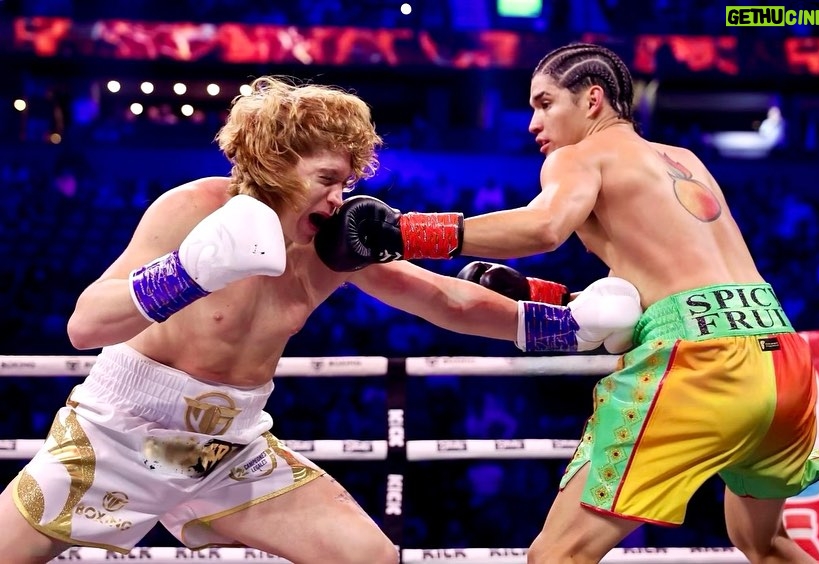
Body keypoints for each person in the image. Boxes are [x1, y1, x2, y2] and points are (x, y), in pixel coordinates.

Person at [0, 75, 640, 564]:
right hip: (118, 435)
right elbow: (85, 325)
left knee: (369, 557)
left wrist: (567, 327)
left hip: (230, 449)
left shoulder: (338, 241)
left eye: (348, 178)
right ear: (277, 162)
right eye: (328, 178)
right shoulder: (192, 208)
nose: (341, 196)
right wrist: (190, 272)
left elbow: (446, 301)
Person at [313, 43, 819, 563]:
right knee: (764, 544)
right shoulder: (685, 160)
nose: (532, 123)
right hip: (782, 355)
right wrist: (541, 294)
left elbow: (545, 228)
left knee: (557, 556)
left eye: (544, 103)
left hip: (701, 361)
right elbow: (654, 292)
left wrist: (405, 233)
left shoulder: (580, 155)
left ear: (592, 100)